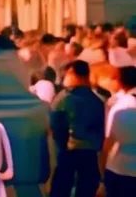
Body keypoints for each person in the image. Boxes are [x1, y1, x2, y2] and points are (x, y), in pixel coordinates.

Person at [49, 60, 105, 197]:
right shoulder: (98, 100)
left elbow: (55, 124)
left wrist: (61, 146)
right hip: (91, 153)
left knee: (61, 188)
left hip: (68, 151)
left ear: (72, 73)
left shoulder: (65, 97)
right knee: (86, 188)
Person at [102, 65, 136, 197]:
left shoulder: (120, 106)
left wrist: (101, 173)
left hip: (121, 170)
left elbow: (109, 141)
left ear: (119, 81)